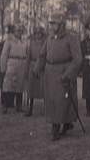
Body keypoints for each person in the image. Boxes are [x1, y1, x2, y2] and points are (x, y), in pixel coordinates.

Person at [35, 11, 82, 141]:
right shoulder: (49, 38)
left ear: (61, 24)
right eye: (51, 24)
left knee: (63, 101)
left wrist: (68, 74)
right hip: (50, 73)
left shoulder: (71, 38)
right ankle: (60, 124)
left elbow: (77, 59)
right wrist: (37, 69)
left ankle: (58, 127)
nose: (51, 26)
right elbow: (42, 54)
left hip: (64, 72)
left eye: (54, 24)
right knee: (52, 101)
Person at [0, 24, 27, 114]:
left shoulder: (24, 41)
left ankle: (19, 105)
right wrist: (3, 68)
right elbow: (4, 55)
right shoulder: (9, 41)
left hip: (22, 63)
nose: (19, 32)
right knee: (8, 85)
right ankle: (5, 105)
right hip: (12, 62)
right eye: (17, 31)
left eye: (20, 31)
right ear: (14, 32)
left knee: (20, 85)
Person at [25, 25, 46, 117]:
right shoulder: (31, 43)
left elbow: (46, 55)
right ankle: (30, 109)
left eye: (39, 33)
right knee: (31, 89)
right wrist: (26, 69)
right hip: (32, 66)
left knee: (44, 89)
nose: (38, 35)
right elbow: (28, 57)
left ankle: (46, 109)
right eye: (36, 33)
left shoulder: (45, 43)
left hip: (42, 67)